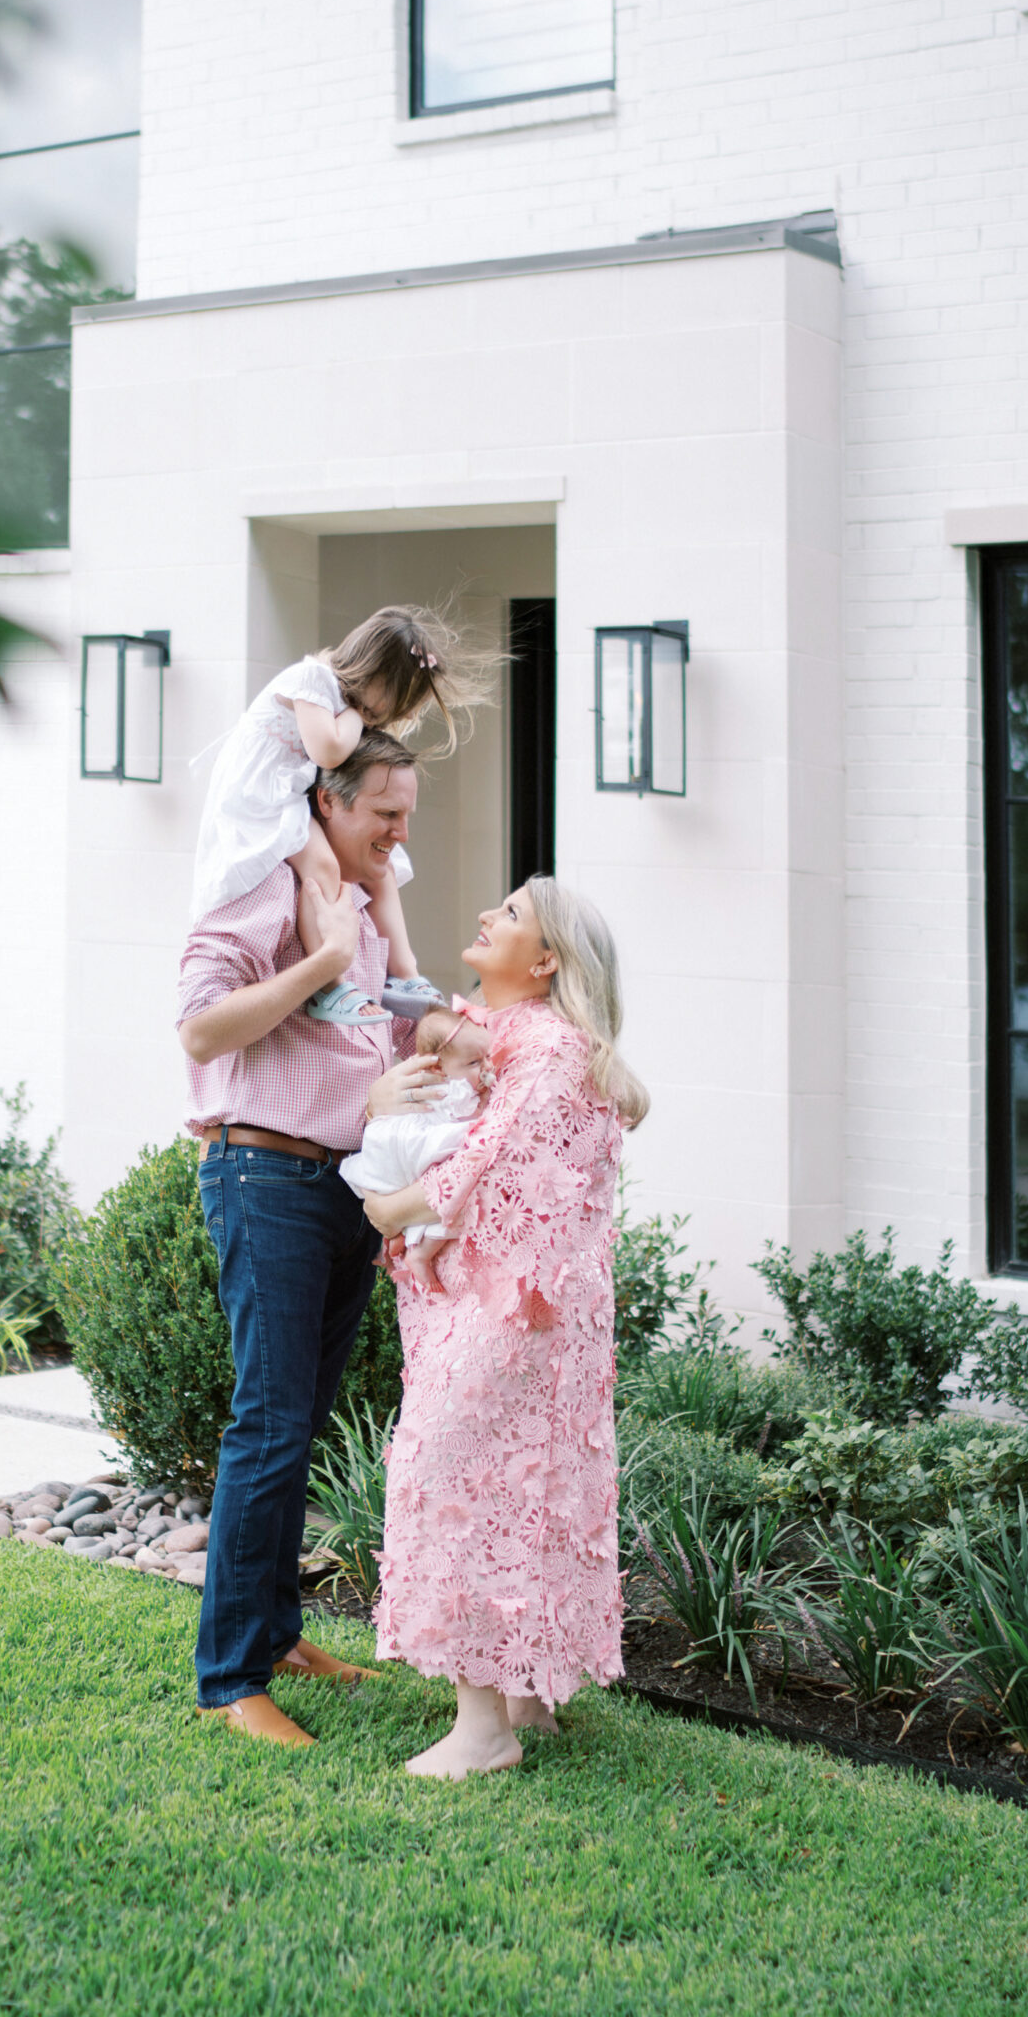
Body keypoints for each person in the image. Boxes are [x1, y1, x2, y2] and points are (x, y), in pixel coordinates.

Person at [176, 730, 445, 1750]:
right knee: (270, 1425)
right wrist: (326, 959)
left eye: (407, 814)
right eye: (384, 814)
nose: (398, 833)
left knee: (302, 1421)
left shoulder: (365, 906)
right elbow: (201, 1029)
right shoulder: (258, 893)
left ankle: (281, 1635)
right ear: (324, 802)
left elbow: (378, 1034)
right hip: (267, 1177)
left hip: (341, 1187)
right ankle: (232, 1675)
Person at [361, 875, 649, 1779]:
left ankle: (484, 1730)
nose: (487, 915)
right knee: (527, 1486)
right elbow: (459, 1074)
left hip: (510, 1308)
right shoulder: (527, 1042)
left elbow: (489, 1161)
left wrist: (386, 1207)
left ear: (547, 959)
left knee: (455, 1477)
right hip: (526, 1307)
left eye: (511, 914)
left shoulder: (551, 1051)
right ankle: (529, 1691)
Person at [188, 605, 494, 1023]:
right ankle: (329, 986)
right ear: (373, 673)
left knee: (382, 872)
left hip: (292, 792)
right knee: (321, 865)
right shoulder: (312, 678)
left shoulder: (344, 703)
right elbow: (328, 750)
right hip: (261, 798)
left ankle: (405, 975)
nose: (384, 720)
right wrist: (356, 714)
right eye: (386, 707)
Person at [339, 1004, 493, 1288]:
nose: (485, 1068)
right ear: (438, 1067)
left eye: (487, 1058)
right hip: (414, 1148)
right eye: (474, 1063)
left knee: (418, 1205)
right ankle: (420, 1254)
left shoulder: (448, 1076)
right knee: (451, 1206)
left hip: (402, 1148)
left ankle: (395, 1246)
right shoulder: (451, 1087)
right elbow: (468, 1115)